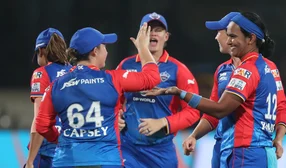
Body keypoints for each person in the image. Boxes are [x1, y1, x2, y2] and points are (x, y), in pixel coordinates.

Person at [145, 12, 286, 167]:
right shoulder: (224, 70)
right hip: (228, 146)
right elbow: (213, 111)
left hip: (247, 150)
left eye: (228, 34)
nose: (222, 38)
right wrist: (195, 135)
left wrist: (181, 93)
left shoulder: (252, 69)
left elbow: (221, 109)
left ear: (250, 38)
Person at [35, 23, 161, 168]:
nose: (106, 51)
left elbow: (41, 126)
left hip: (66, 160)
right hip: (105, 160)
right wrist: (143, 48)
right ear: (95, 51)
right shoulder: (112, 79)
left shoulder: (55, 86)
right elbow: (152, 78)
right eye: (104, 46)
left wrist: (61, 140)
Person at [116, 12, 200, 168]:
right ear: (141, 35)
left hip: (161, 151)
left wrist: (164, 122)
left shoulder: (178, 70)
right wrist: (116, 116)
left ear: (166, 36)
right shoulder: (125, 66)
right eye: (149, 29)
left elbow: (194, 111)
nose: (153, 33)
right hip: (128, 149)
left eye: (158, 30)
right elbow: (113, 100)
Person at [25, 28, 71, 168]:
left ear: (41, 51)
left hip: (46, 150)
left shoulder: (41, 74)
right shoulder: (74, 71)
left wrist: (30, 160)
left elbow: (39, 119)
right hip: (70, 150)